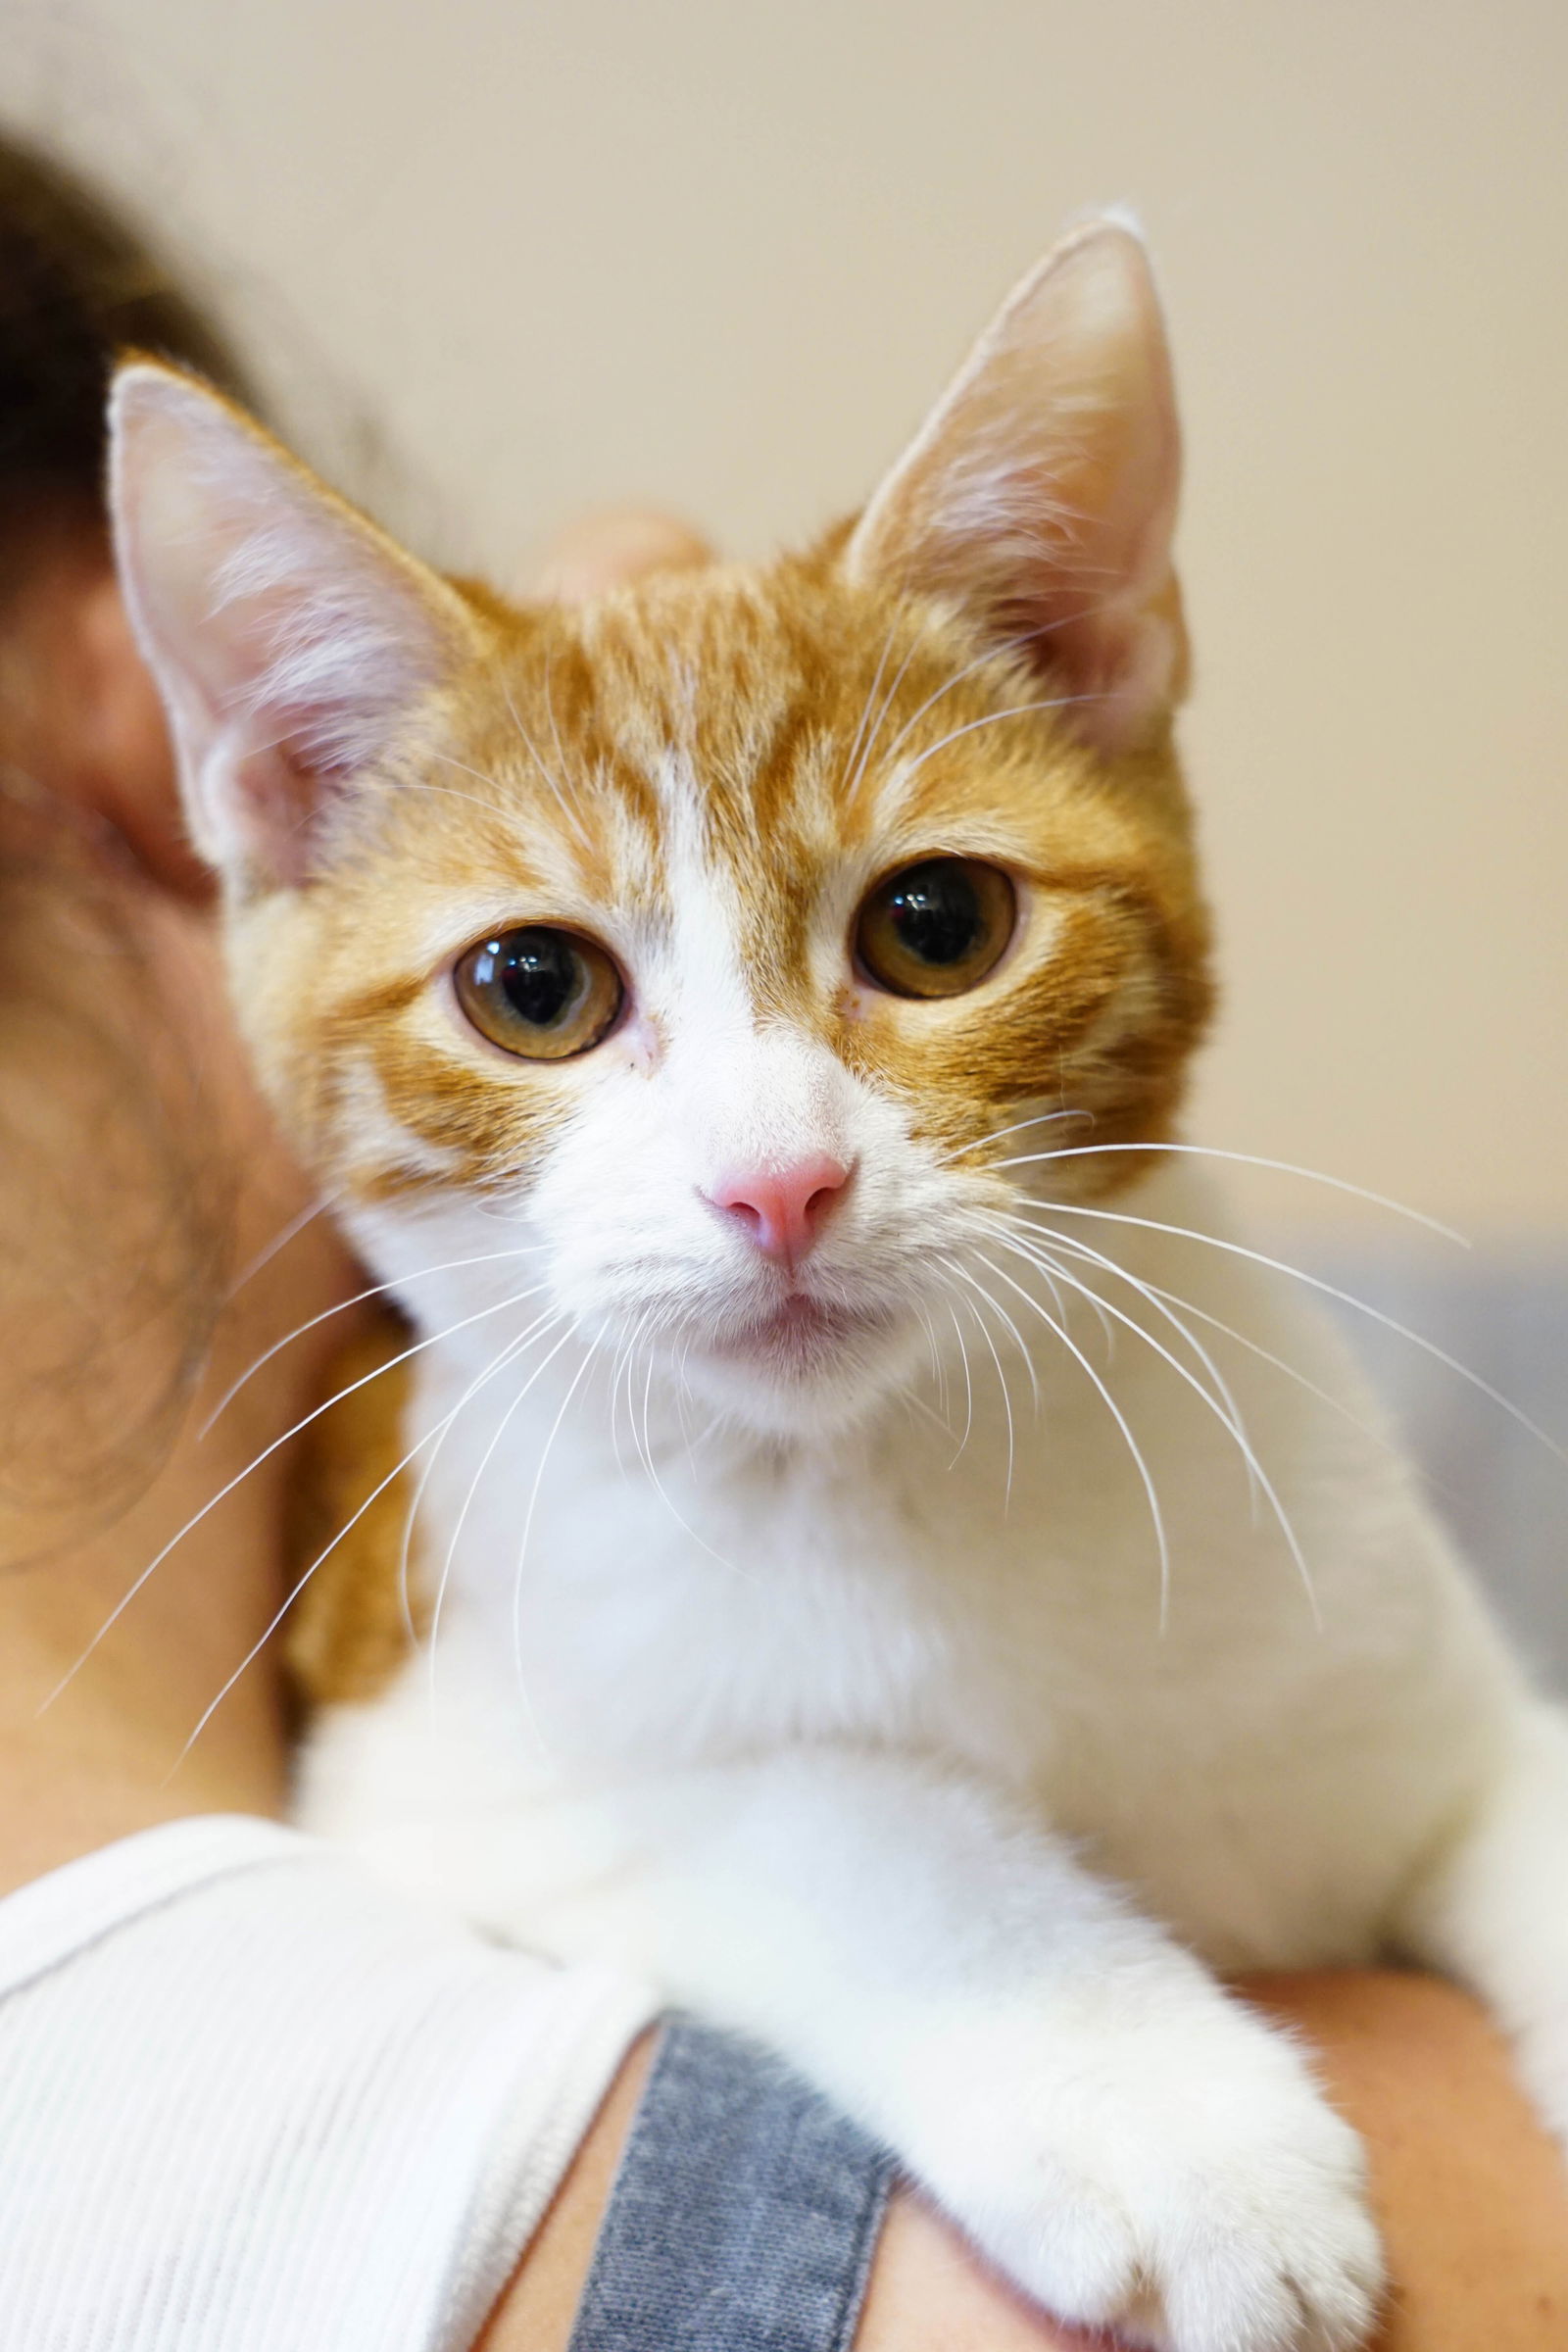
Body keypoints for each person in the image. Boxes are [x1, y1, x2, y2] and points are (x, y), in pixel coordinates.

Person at [0, 127, 1563, 2352]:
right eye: (539, 990)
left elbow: (1471, 1785)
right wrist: (967, 1969)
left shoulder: (1257, 1433)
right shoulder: (468, 1542)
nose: (770, 1168)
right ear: (254, 791)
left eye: (925, 923)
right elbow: (472, 1817)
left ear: (1086, 665)